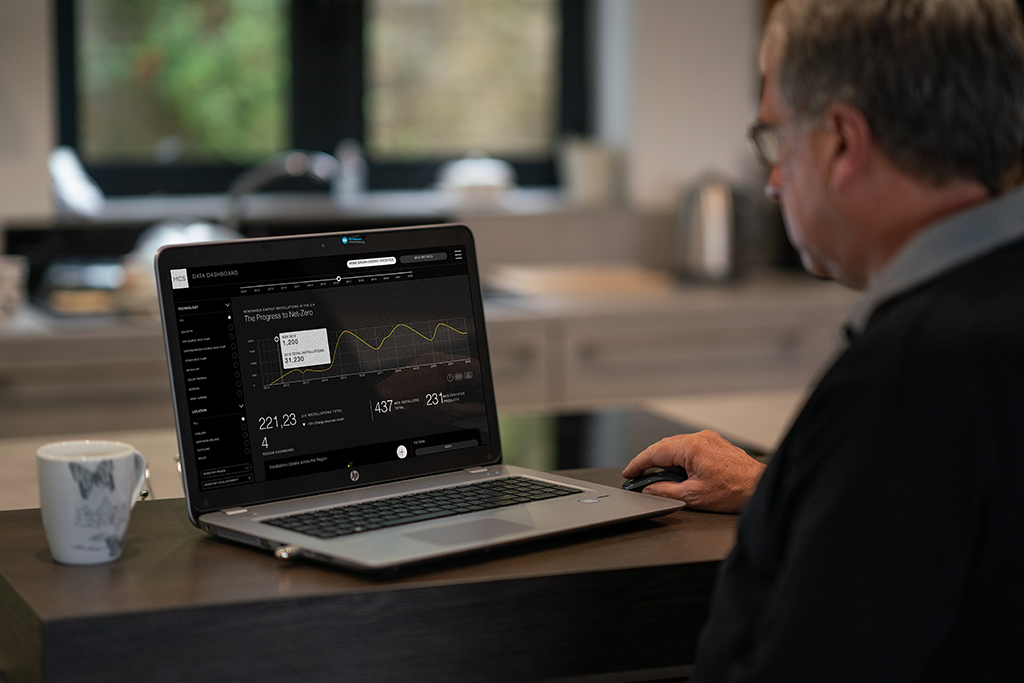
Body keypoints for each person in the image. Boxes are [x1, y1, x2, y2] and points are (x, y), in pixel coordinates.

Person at [621, 0, 1024, 679]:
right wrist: (790, 487)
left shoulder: (911, 374)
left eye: (777, 139)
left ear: (842, 142)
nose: (774, 181)